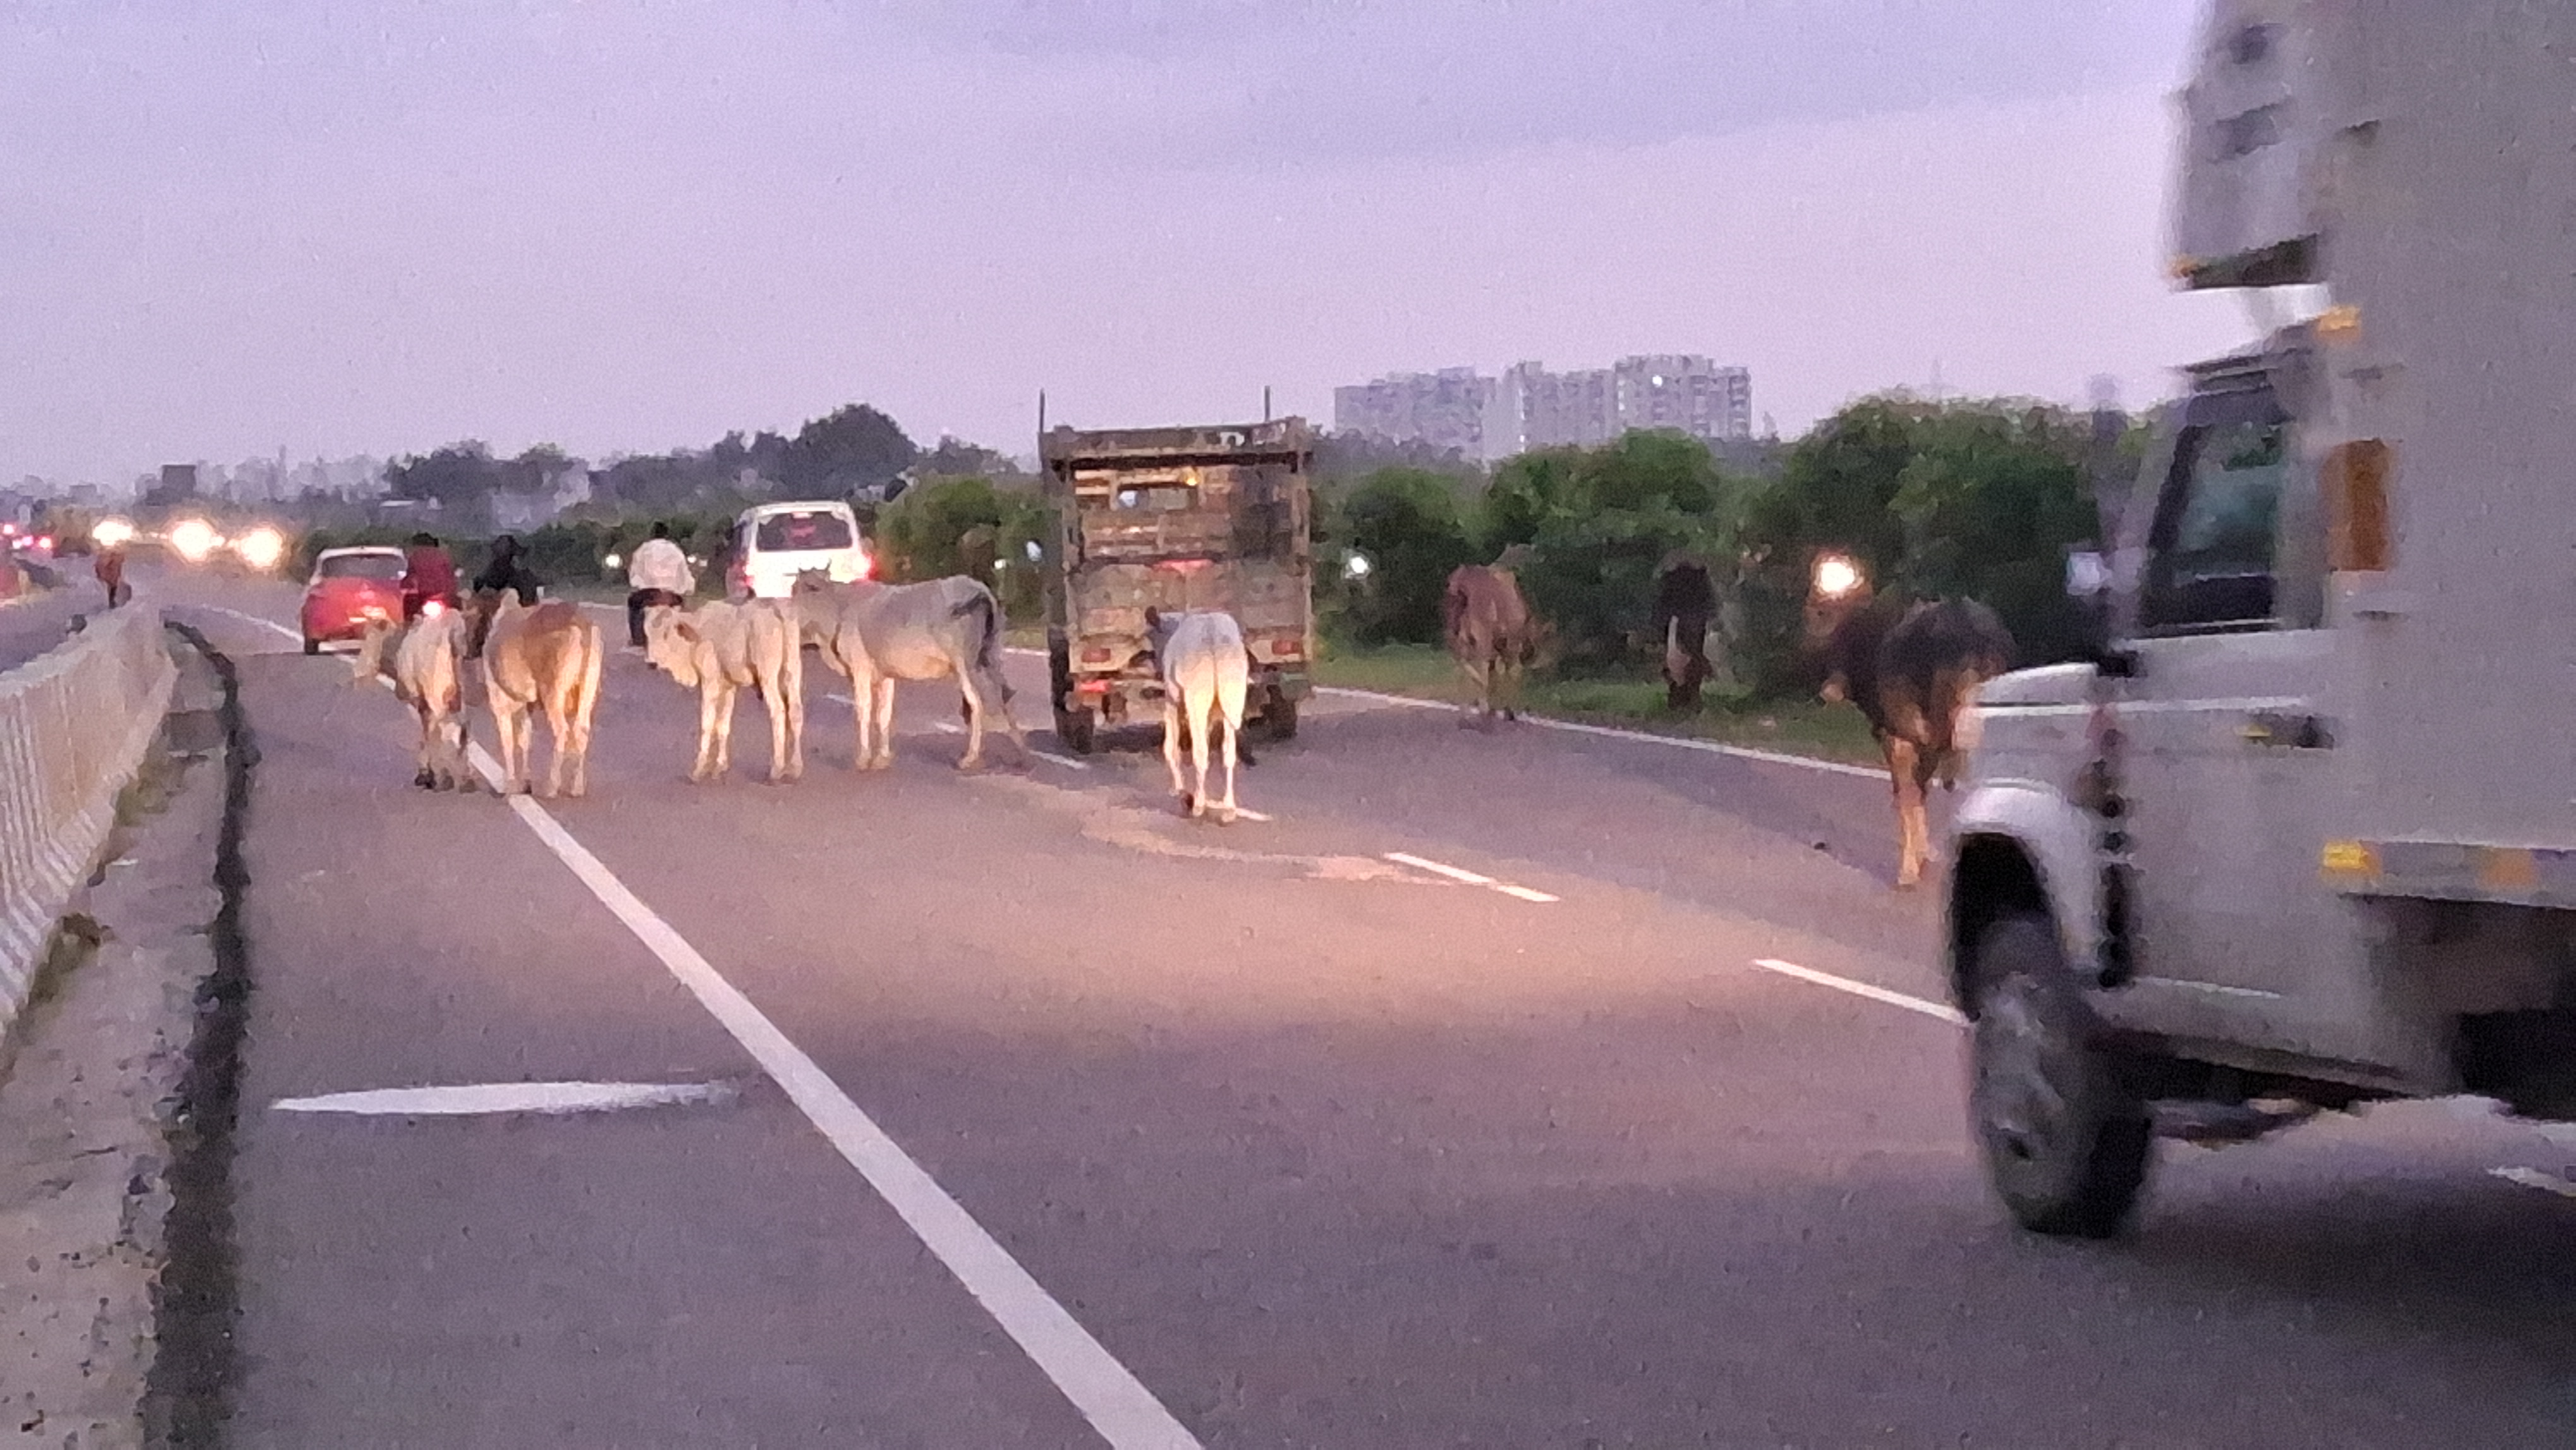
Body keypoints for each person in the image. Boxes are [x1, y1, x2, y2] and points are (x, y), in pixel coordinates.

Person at [624, 521, 695, 649]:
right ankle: (681, 636)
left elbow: (635, 576)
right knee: (684, 610)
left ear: (653, 534)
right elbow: (685, 577)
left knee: (633, 604)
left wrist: (641, 585)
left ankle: (638, 639)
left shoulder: (643, 550)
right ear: (667, 535)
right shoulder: (676, 551)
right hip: (672, 596)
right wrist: (686, 590)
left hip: (649, 595)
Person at [400, 532, 460, 621]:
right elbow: (450, 577)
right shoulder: (443, 556)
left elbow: (410, 576)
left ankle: (408, 627)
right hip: (442, 595)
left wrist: (404, 586)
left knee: (409, 614)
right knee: (458, 613)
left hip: (423, 596)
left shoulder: (415, 556)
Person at [472, 533, 544, 608]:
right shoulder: (493, 572)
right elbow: (478, 582)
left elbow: (478, 582)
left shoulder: (515, 574)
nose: (505, 557)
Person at [93, 543, 128, 608]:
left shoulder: (114, 557)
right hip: (110, 576)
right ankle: (111, 604)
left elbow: (118, 567)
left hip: (112, 577)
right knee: (110, 589)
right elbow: (103, 565)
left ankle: (111, 604)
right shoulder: (112, 557)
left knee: (112, 589)